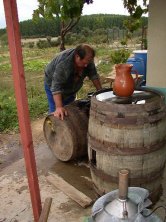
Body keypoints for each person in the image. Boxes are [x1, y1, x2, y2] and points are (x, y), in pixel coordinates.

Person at [44, 44, 102, 120]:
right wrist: (58, 107)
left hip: (70, 86)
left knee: (69, 109)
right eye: (84, 63)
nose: (86, 66)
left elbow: (93, 75)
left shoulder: (88, 60)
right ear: (77, 57)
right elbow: (56, 87)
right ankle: (53, 127)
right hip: (53, 84)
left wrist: (100, 92)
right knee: (57, 113)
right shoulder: (64, 63)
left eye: (88, 62)